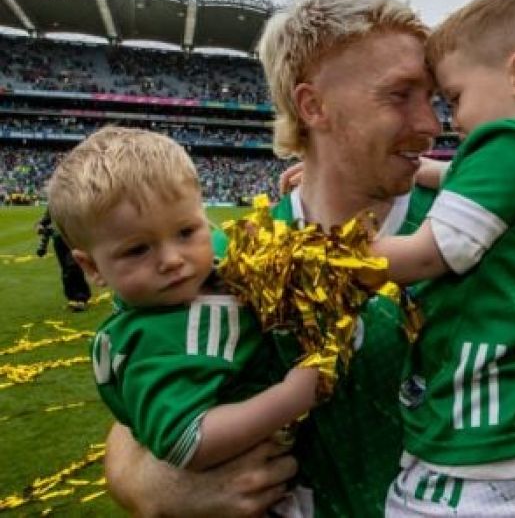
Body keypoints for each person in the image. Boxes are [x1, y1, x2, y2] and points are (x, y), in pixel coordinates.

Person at [104, 0, 515, 517]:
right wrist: (156, 486)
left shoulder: (480, 217)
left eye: (435, 99)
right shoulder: (233, 255)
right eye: (399, 95)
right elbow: (138, 420)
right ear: (313, 106)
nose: (433, 125)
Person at [368, 0, 515, 515]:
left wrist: (344, 253)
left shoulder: (507, 143)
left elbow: (430, 255)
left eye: (454, 98)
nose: (452, 120)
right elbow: (478, 184)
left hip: (495, 440)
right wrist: (429, 171)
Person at [47, 127, 318, 476]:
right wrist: (292, 397)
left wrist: (297, 201)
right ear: (91, 267)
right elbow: (186, 441)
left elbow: (254, 243)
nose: (172, 259)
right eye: (137, 249)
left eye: (186, 232)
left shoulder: (209, 253)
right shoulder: (147, 344)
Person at [36, 207, 91, 311]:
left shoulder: (74, 201)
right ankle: (72, 298)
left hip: (73, 238)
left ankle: (81, 298)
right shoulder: (53, 204)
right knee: (66, 270)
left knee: (73, 266)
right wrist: (40, 226)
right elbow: (44, 220)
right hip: (58, 239)